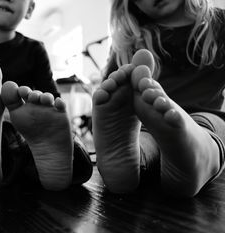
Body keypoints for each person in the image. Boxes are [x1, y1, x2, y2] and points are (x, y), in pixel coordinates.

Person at [92, 0, 225, 197]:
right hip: (149, 120)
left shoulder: (219, 24)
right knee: (143, 136)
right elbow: (111, 92)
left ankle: (185, 158)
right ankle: (135, 162)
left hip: (203, 118)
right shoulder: (129, 41)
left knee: (205, 129)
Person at [0, 58, 93, 191]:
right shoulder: (35, 47)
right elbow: (53, 97)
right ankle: (61, 167)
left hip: (8, 141)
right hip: (29, 142)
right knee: (74, 153)